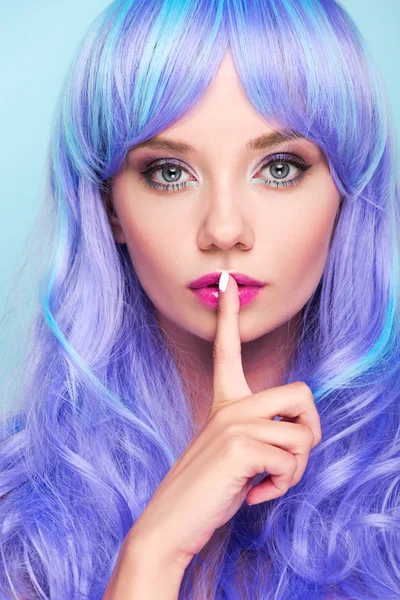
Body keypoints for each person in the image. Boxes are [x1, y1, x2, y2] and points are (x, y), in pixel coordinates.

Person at [1, 0, 399, 598]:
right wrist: (153, 555)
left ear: (345, 192)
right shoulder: (18, 516)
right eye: (168, 172)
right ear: (110, 208)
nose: (223, 228)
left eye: (281, 167)